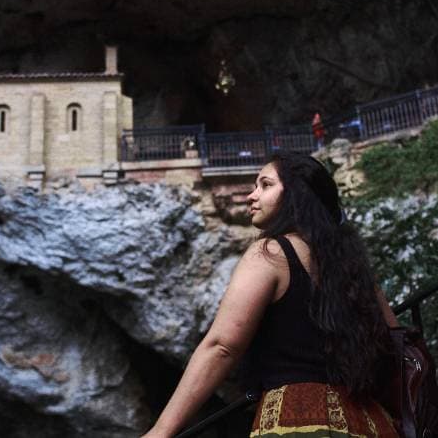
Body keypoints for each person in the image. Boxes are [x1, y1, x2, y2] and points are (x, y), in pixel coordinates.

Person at [141, 152, 399, 438]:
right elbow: (395, 338)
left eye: (265, 185)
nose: (252, 196)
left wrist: (162, 431)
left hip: (298, 421)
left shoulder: (271, 253)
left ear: (296, 195)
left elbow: (222, 346)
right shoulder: (352, 264)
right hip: (371, 422)